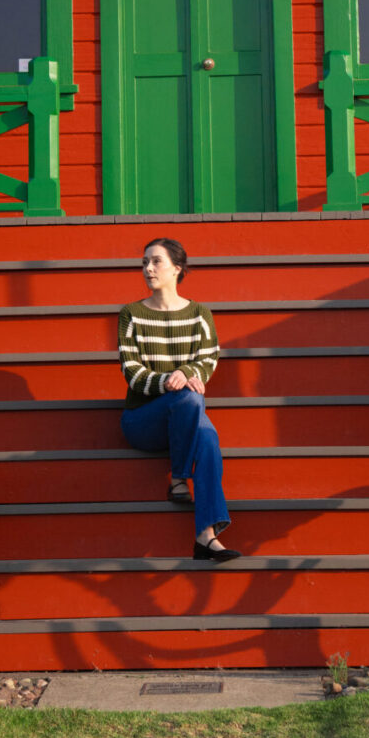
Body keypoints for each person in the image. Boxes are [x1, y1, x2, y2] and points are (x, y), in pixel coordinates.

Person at [117, 237, 242, 563]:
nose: (147, 268)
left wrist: (184, 371)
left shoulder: (200, 314)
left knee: (209, 439)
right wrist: (169, 381)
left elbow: (208, 361)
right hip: (143, 420)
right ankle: (178, 477)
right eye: (144, 262)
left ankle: (206, 537)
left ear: (177, 268)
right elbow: (133, 374)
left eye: (156, 261)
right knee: (188, 398)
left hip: (186, 413)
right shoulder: (130, 314)